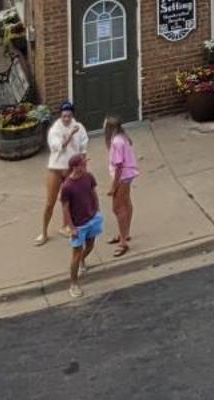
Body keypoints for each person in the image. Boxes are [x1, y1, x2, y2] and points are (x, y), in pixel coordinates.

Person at [37, 99, 89, 244]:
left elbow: (83, 149)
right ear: (60, 116)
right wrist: (71, 134)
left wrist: (83, 168)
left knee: (68, 201)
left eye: (69, 116)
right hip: (56, 168)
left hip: (71, 169)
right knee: (50, 202)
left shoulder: (79, 127)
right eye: (64, 116)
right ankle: (44, 232)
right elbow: (59, 147)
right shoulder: (55, 130)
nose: (66, 119)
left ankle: (66, 225)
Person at [58, 152, 102, 299]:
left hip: (91, 218)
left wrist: (97, 209)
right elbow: (65, 208)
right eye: (83, 164)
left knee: (90, 245)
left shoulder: (88, 177)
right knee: (76, 254)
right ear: (75, 167)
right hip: (78, 225)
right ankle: (73, 283)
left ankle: (83, 260)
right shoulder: (67, 187)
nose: (86, 165)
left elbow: (93, 192)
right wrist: (72, 227)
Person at [105, 117, 138, 257]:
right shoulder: (122, 137)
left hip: (122, 177)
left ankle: (123, 242)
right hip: (128, 175)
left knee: (118, 208)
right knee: (126, 203)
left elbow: (119, 166)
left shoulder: (117, 142)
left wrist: (113, 187)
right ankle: (125, 233)